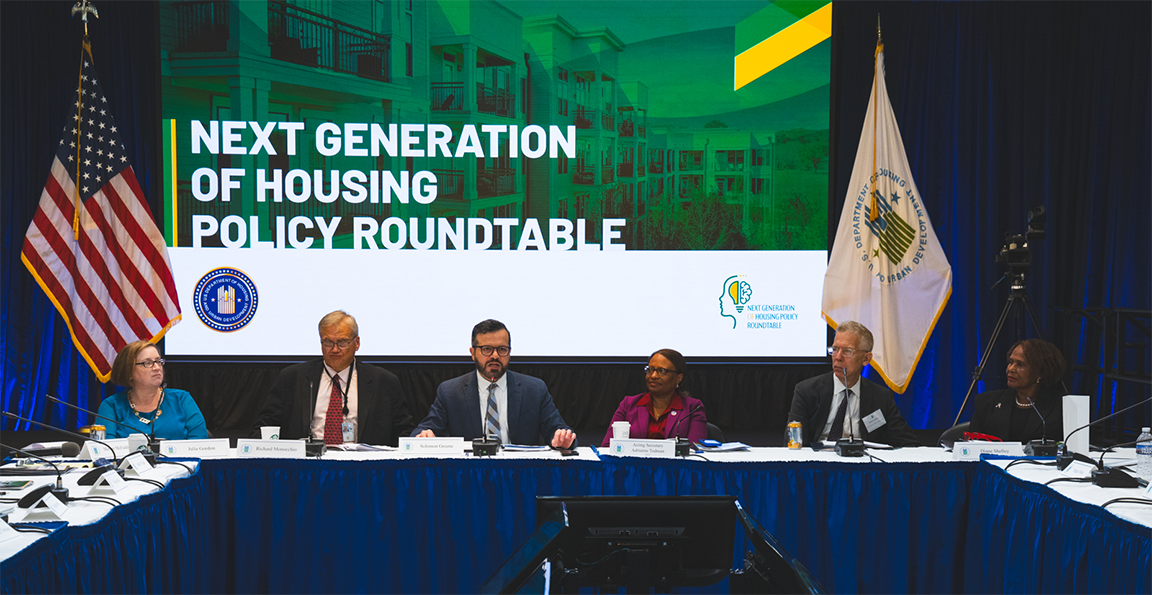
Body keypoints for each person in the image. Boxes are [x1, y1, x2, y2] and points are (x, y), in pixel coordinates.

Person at [251, 310, 414, 446]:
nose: (335, 350)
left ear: (357, 343)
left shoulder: (383, 382)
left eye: (342, 342)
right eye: (328, 342)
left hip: (362, 469)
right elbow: (266, 425)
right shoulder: (293, 378)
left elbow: (404, 431)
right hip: (307, 467)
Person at [413, 319, 576, 448]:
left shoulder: (534, 389)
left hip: (520, 474)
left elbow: (559, 430)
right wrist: (424, 436)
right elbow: (423, 431)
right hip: (471, 475)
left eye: (502, 349)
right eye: (486, 349)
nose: (495, 356)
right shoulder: (450, 392)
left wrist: (562, 439)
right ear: (472, 353)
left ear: (509, 352)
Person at [788, 321, 918, 447]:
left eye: (847, 351)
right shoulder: (807, 391)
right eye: (835, 349)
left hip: (863, 465)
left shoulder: (880, 397)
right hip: (818, 465)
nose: (838, 357)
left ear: (866, 359)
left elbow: (906, 442)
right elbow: (793, 441)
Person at [98, 341, 209, 440]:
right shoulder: (112, 406)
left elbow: (199, 444)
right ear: (129, 372)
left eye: (158, 361)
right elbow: (105, 450)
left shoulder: (181, 399)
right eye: (147, 363)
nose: (157, 367)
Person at [601, 349, 707, 447]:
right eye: (650, 370)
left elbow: (695, 449)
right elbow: (607, 446)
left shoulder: (692, 408)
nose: (653, 376)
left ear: (678, 378)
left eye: (662, 371)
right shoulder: (629, 404)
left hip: (675, 467)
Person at [968, 339, 1066, 443]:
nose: (1011, 369)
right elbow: (972, 445)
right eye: (1011, 362)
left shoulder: (1061, 406)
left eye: (1020, 364)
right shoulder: (986, 402)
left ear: (1040, 372)